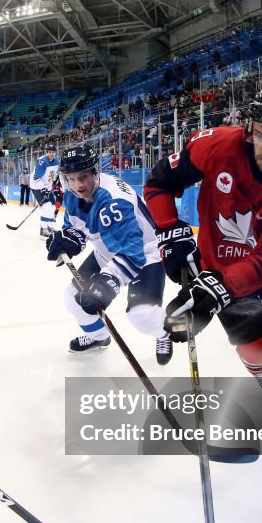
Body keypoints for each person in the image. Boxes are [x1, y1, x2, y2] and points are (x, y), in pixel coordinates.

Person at [143, 87, 262, 421]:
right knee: (257, 348)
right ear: (248, 129)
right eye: (261, 134)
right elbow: (158, 183)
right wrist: (170, 231)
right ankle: (261, 373)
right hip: (217, 262)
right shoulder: (216, 145)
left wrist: (220, 289)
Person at [45, 144, 172, 364]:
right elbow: (77, 228)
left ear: (95, 172)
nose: (78, 185)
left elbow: (133, 253)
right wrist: (69, 240)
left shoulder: (113, 201)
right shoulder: (73, 194)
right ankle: (98, 336)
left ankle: (164, 332)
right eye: (72, 179)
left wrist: (107, 282)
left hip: (145, 254)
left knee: (142, 317)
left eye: (83, 177)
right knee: (73, 298)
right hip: (107, 250)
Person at [32, 142, 60, 237]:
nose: (51, 154)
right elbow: (37, 178)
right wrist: (43, 189)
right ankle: (43, 229)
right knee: (47, 206)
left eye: (53, 152)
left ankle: (50, 226)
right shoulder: (41, 161)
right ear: (46, 152)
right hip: (37, 186)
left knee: (53, 206)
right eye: (49, 152)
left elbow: (53, 174)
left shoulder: (56, 161)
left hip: (47, 186)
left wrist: (56, 180)